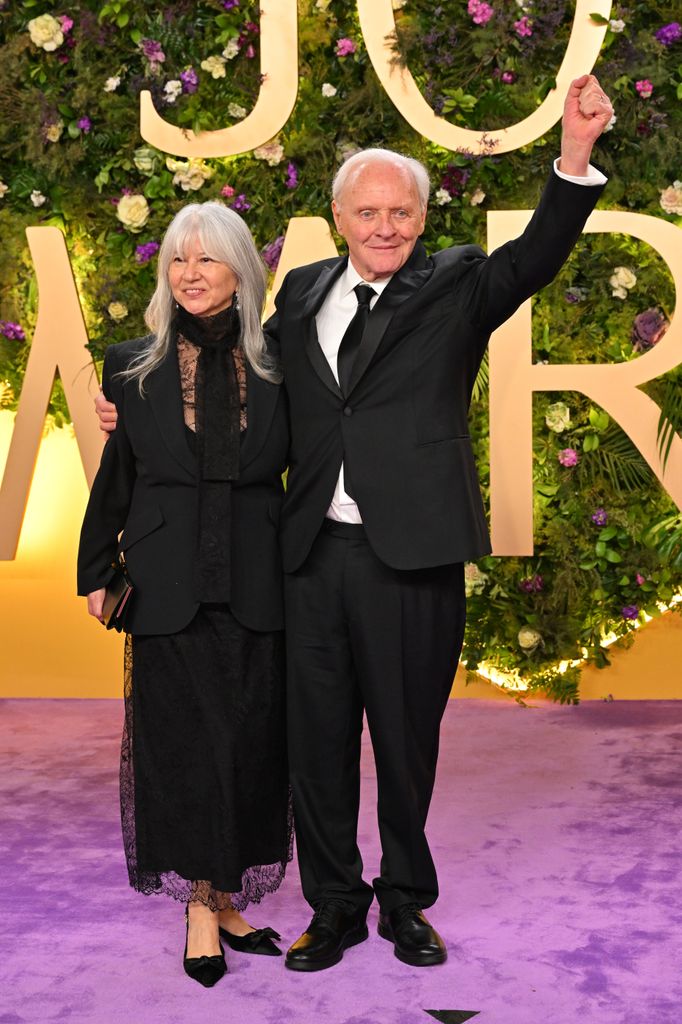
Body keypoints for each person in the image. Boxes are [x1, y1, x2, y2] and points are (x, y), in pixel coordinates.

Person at [96, 74, 613, 973]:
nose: (385, 226)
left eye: (400, 211)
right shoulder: (296, 296)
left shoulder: (461, 285)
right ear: (339, 218)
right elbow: (234, 383)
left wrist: (571, 159)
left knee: (408, 744)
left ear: (421, 217)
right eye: (367, 211)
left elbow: (536, 255)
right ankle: (334, 905)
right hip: (306, 559)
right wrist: (131, 414)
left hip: (411, 558)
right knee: (315, 745)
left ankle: (406, 903)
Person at [79, 201, 291, 988]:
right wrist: (97, 568)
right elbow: (120, 474)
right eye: (177, 260)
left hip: (261, 583)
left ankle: (229, 894)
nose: (190, 275)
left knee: (251, 743)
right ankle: (202, 907)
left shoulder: (279, 363)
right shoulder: (131, 365)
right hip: (166, 585)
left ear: (241, 270)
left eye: (206, 260)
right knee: (181, 748)